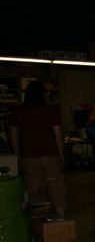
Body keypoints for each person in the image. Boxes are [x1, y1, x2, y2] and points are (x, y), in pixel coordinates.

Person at [9, 80, 67, 218]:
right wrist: (61, 155)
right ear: (42, 95)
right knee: (56, 187)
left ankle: (40, 224)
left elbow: (13, 136)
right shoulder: (51, 111)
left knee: (35, 189)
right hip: (51, 155)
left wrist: (17, 156)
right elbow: (58, 135)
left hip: (29, 156)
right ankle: (61, 219)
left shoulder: (18, 111)